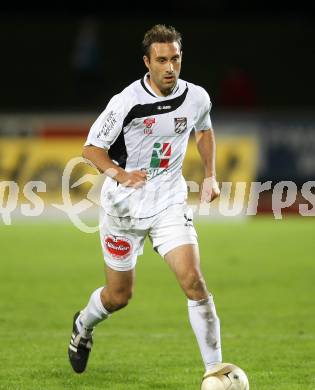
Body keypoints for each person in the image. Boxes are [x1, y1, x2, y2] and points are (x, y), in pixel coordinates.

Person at [68, 24, 222, 381]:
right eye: (162, 60)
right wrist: (120, 174)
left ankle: (215, 370)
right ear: (147, 62)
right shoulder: (126, 102)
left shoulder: (196, 97)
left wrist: (211, 174)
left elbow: (204, 129)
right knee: (119, 296)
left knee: (194, 281)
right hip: (123, 208)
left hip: (169, 203)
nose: (170, 67)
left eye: (176, 59)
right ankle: (83, 324)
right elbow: (91, 149)